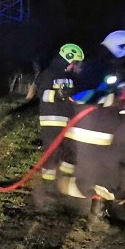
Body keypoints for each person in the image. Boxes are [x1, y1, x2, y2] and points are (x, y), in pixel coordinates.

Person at [56, 30, 125, 230]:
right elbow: (86, 97)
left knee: (101, 172)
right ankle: (97, 218)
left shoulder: (97, 67)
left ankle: (90, 206)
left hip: (89, 131)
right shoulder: (103, 71)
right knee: (109, 173)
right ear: (122, 52)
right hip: (96, 131)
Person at [32, 43, 84, 206]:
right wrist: (58, 94)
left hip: (70, 122)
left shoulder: (71, 76)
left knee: (71, 152)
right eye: (74, 62)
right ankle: (48, 189)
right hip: (52, 121)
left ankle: (65, 185)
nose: (75, 66)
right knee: (52, 154)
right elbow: (43, 94)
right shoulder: (49, 74)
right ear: (67, 58)